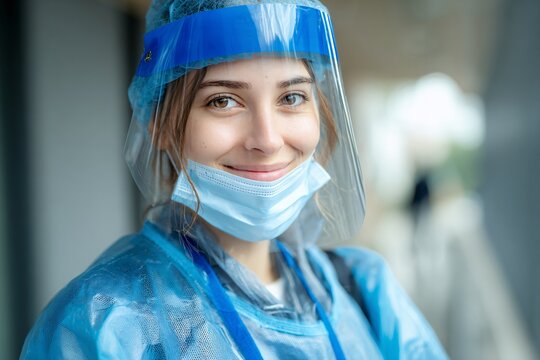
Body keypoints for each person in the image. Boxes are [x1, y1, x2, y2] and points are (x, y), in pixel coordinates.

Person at [21, 1, 448, 359]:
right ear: (159, 124)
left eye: (292, 97)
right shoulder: (107, 321)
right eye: (223, 101)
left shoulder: (364, 293)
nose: (267, 138)